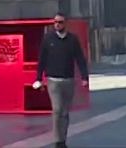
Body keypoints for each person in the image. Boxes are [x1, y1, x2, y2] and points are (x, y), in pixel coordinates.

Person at [34, 14, 89, 148]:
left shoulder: (72, 40)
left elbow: (80, 58)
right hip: (53, 80)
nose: (57, 24)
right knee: (57, 109)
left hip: (68, 80)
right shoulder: (48, 39)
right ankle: (57, 140)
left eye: (60, 22)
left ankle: (63, 139)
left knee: (64, 112)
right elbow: (42, 59)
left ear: (65, 23)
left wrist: (84, 76)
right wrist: (39, 77)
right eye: (55, 22)